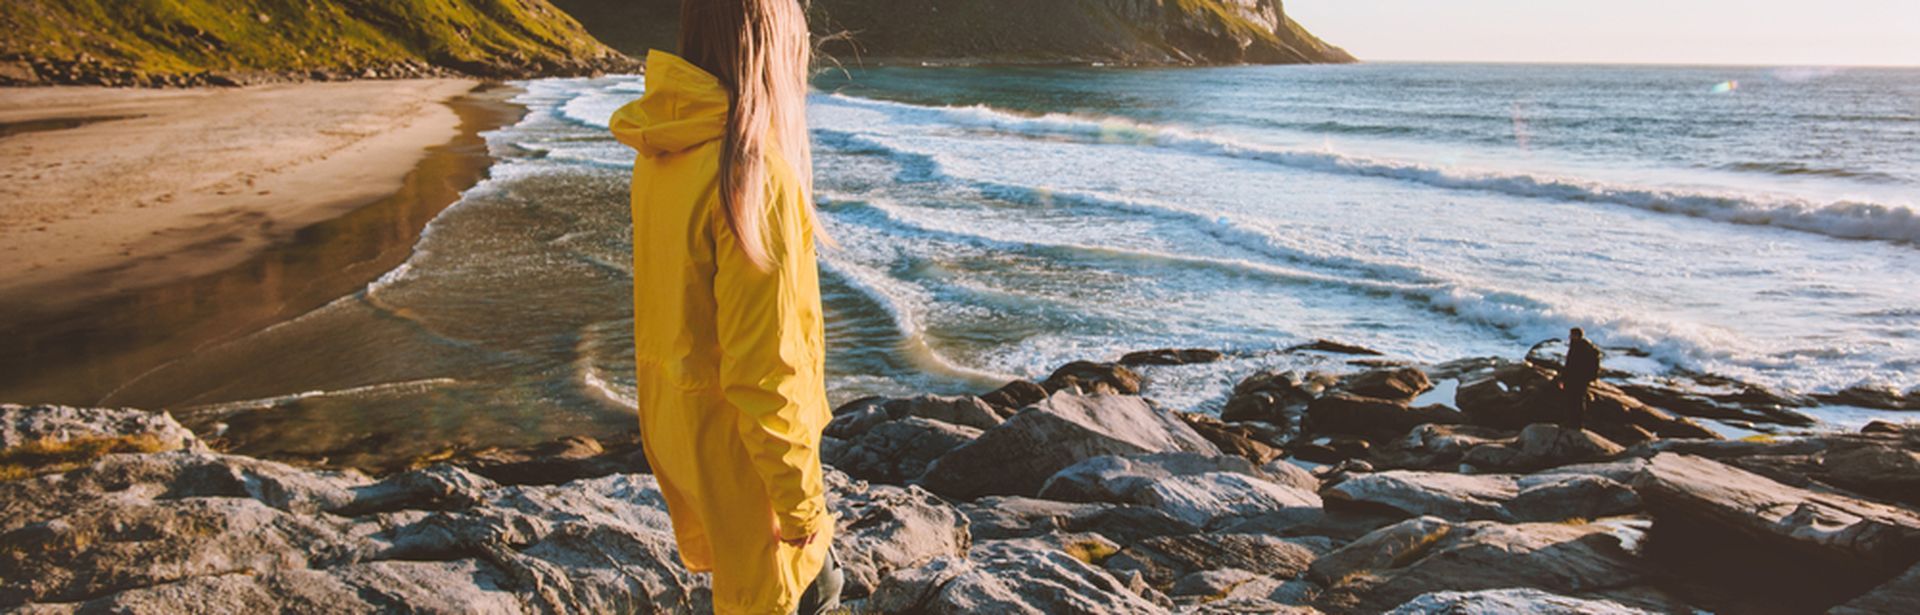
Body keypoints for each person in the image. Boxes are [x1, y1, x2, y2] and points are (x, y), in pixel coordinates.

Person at [610, 1, 842, 613]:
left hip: (689, 448)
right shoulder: (753, 177)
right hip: (749, 477)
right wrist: (802, 508)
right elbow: (766, 373)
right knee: (815, 589)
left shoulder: (662, 151)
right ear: (773, 48)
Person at [1558, 327, 1601, 429]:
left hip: (1575, 379)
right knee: (1577, 400)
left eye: (1572, 335)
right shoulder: (1586, 347)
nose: (1570, 337)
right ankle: (1576, 422)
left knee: (1573, 401)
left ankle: (1573, 422)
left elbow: (1570, 364)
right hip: (1581, 379)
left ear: (1577, 336)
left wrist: (1563, 378)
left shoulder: (1578, 347)